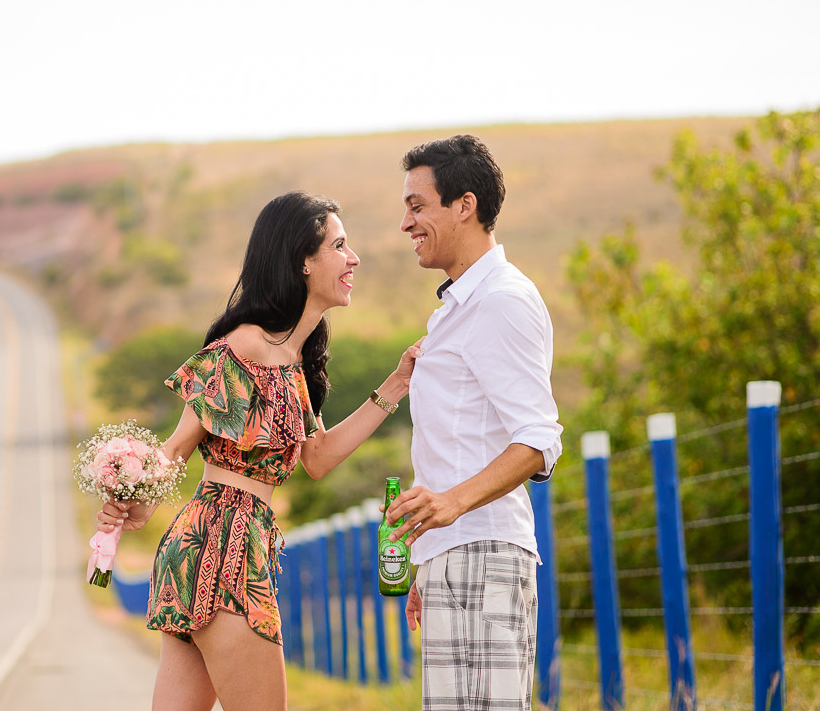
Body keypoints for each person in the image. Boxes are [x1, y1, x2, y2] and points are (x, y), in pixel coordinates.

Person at [96, 190, 423, 711]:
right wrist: (139, 501)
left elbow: (318, 458)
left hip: (225, 544)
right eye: (339, 246)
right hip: (222, 547)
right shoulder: (245, 344)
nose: (354, 258)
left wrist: (398, 383)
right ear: (303, 261)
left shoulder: (297, 361)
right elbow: (179, 445)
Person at [383, 135, 563, 711]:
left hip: (485, 557)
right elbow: (458, 443)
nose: (406, 223)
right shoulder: (456, 310)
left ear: (465, 205)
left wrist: (452, 505)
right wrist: (430, 559)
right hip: (456, 558)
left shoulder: (501, 300)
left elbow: (539, 439)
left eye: (417, 206)